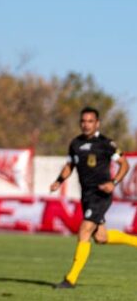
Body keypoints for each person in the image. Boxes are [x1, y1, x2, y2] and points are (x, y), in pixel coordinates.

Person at [50, 107, 136, 289]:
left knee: (84, 230)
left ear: (97, 123)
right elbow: (70, 165)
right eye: (83, 121)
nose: (86, 124)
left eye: (90, 121)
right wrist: (58, 181)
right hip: (87, 196)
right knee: (101, 237)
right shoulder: (75, 144)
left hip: (101, 194)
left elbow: (124, 164)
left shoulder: (106, 143)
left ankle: (70, 279)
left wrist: (113, 182)